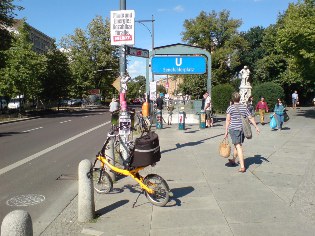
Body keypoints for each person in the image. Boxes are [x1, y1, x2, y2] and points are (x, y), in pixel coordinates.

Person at [224, 92, 260, 173]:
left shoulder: (230, 108)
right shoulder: (244, 107)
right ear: (239, 99)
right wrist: (256, 127)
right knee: (238, 145)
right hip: (242, 129)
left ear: (233, 99)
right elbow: (250, 117)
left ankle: (242, 166)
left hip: (234, 129)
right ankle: (233, 160)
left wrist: (226, 131)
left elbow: (228, 120)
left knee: (238, 146)